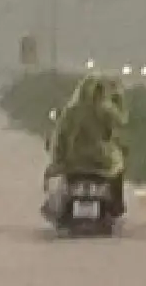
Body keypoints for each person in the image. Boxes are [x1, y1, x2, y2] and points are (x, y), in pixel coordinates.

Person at [48, 72, 128, 204]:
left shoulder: (71, 112)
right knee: (119, 166)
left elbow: (60, 139)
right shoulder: (107, 111)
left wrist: (58, 160)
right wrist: (119, 99)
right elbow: (121, 123)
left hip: (73, 162)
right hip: (101, 162)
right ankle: (117, 203)